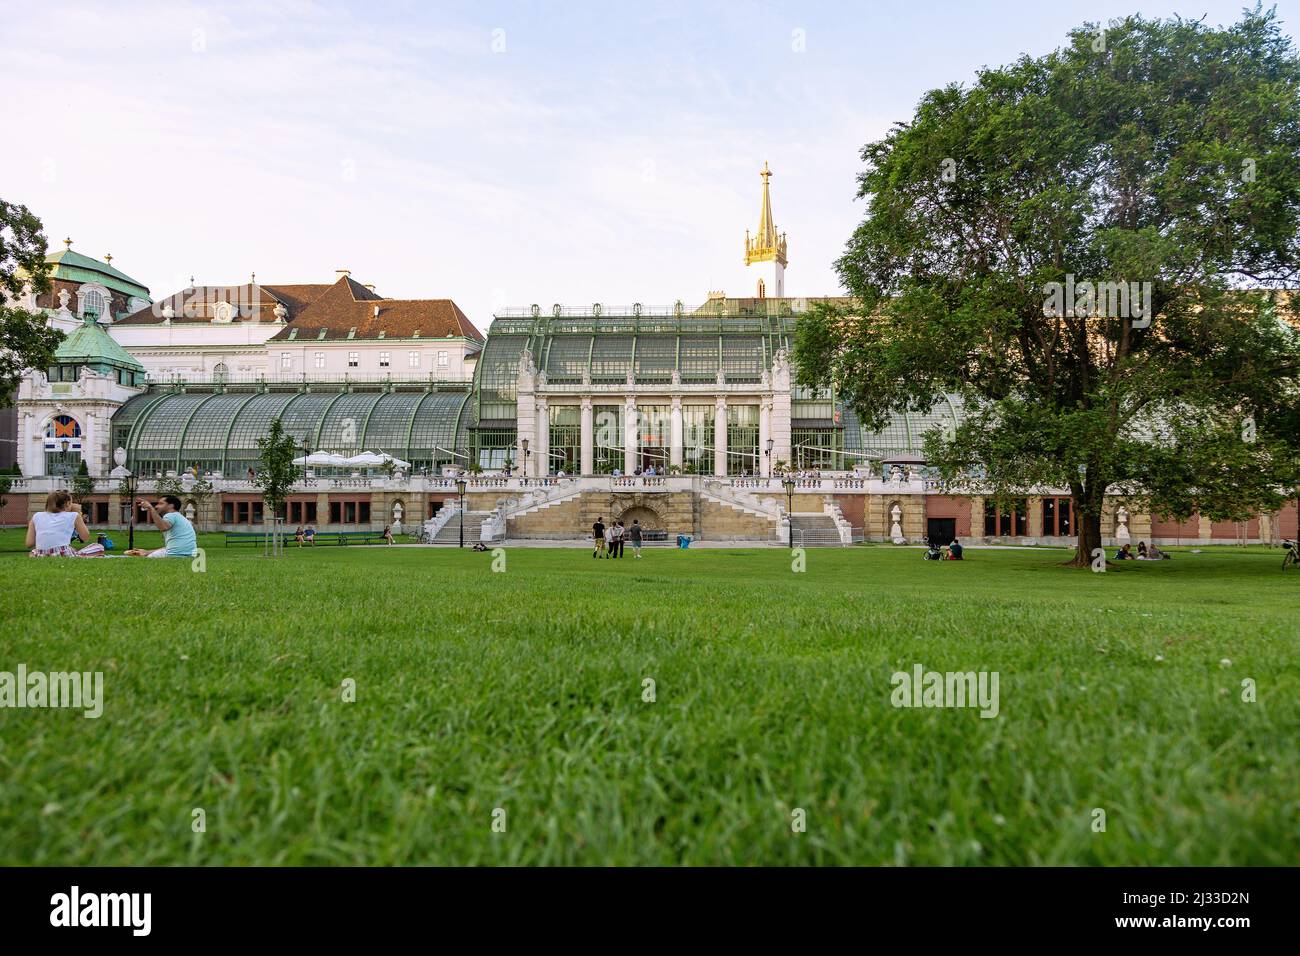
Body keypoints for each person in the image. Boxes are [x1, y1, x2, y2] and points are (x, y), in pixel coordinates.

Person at [27, 490, 104, 557]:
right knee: (99, 547)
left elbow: (29, 543)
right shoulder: (73, 515)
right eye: (71, 503)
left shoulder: (37, 516)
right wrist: (78, 513)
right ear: (67, 503)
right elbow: (85, 537)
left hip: (40, 554)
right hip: (62, 553)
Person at [124, 495, 197, 558]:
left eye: (161, 503)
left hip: (176, 554)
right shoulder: (179, 517)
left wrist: (150, 508)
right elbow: (169, 548)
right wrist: (147, 552)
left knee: (141, 559)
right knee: (146, 555)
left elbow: (163, 527)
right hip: (187, 554)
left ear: (171, 505)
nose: (156, 506)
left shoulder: (170, 515)